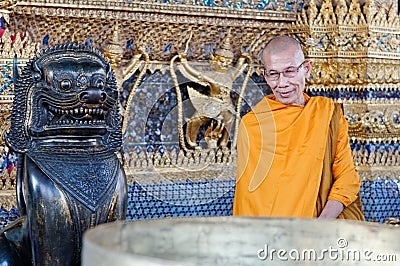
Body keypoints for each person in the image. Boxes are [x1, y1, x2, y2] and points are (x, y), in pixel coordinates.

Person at [233, 36, 364, 219]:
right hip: (267, 234)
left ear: (306, 69)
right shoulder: (253, 124)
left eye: (289, 71)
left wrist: (319, 225)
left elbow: (347, 178)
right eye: (273, 74)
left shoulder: (327, 115)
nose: (282, 83)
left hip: (317, 230)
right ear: (264, 75)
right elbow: (249, 198)